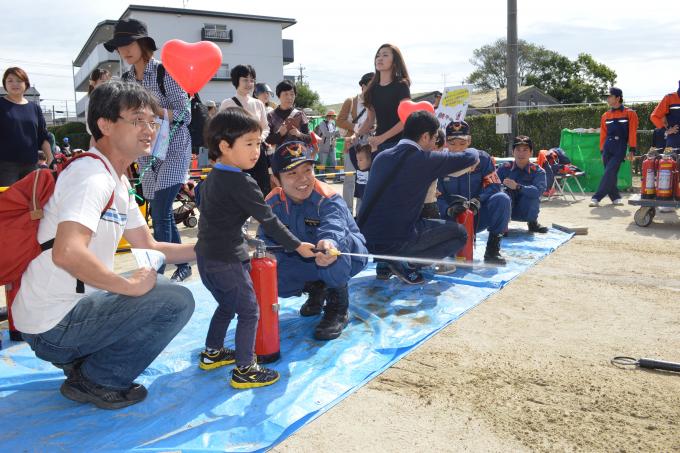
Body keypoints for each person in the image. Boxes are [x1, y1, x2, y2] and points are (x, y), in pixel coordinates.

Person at [12, 81, 196, 410]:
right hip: (53, 323)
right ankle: (99, 379)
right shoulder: (90, 176)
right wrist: (127, 286)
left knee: (160, 289)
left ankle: (82, 363)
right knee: (174, 299)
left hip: (61, 315)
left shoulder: (117, 180)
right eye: (138, 119)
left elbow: (150, 246)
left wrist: (209, 248)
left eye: (153, 121)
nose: (149, 130)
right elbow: (67, 252)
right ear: (105, 124)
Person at [195, 108, 316, 387]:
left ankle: (212, 352)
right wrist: (298, 246)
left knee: (226, 304)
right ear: (224, 146)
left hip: (206, 257)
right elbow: (270, 222)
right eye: (248, 144)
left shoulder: (211, 177)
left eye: (258, 143)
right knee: (250, 311)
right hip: (227, 259)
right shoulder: (242, 181)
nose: (256, 151)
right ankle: (245, 368)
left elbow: (214, 214)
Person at [106, 18, 194, 282]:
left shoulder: (165, 72)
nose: (124, 50)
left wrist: (151, 110)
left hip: (175, 148)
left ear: (143, 43)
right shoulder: (126, 80)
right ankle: (184, 264)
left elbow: (185, 114)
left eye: (128, 43)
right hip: (147, 152)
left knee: (161, 211)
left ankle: (157, 274)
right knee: (160, 209)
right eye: (119, 46)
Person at [261, 141, 368, 340]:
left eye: (307, 170)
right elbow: (265, 237)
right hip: (305, 259)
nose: (303, 179)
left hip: (347, 255)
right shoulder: (272, 203)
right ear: (276, 179)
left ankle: (338, 306)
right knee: (267, 267)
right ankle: (317, 289)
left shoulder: (328, 197)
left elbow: (334, 225)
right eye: (292, 173)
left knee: (335, 249)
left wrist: (329, 242)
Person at [358, 111, 479, 284]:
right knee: (459, 234)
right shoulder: (423, 159)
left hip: (366, 237)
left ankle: (385, 263)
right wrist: (473, 149)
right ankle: (408, 262)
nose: (436, 143)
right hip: (396, 240)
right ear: (425, 137)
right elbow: (469, 156)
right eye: (435, 138)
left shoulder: (382, 157)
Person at [437, 121, 511, 264]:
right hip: (450, 218)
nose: (457, 148)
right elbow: (435, 196)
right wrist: (448, 209)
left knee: (502, 198)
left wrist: (478, 200)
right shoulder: (439, 162)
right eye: (452, 142)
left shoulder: (482, 159)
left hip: (477, 215)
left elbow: (494, 185)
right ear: (446, 142)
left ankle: (492, 250)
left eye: (462, 142)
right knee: (451, 259)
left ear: (469, 141)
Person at [219, 64, 271, 195]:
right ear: (236, 81)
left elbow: (265, 127)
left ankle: (259, 216)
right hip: (237, 156)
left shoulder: (258, 104)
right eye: (245, 80)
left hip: (257, 154)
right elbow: (220, 130)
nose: (249, 83)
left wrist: (259, 139)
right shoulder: (227, 103)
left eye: (252, 80)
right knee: (239, 191)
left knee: (261, 189)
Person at [0, 67, 53, 186]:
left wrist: (49, 157)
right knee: (9, 201)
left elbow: (42, 134)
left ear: (26, 84)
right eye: (10, 80)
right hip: (5, 166)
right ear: (5, 84)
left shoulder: (34, 108)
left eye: (19, 80)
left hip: (31, 164)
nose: (15, 84)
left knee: (31, 200)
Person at [355, 44, 411, 154]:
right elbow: (370, 120)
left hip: (400, 144)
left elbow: (406, 120)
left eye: (385, 55)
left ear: (395, 61)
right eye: (378, 56)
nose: (380, 58)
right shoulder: (372, 89)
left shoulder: (401, 85)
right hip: (379, 145)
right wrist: (355, 135)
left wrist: (382, 138)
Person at [589, 87, 638, 207]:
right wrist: (602, 150)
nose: (607, 99)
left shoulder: (630, 113)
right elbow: (603, 134)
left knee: (609, 171)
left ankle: (596, 197)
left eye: (610, 96)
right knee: (610, 173)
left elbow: (632, 132)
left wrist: (632, 149)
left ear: (618, 98)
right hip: (607, 147)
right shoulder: (605, 115)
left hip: (620, 146)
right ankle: (615, 197)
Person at [336, 72, 374, 213]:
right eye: (371, 85)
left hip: (369, 143)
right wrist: (357, 128)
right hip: (352, 142)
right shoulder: (351, 101)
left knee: (364, 179)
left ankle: (360, 213)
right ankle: (347, 213)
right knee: (350, 178)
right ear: (363, 86)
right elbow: (339, 120)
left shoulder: (375, 103)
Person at [496, 136, 549, 233]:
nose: (521, 153)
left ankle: (533, 223)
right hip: (507, 208)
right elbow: (492, 187)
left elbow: (538, 191)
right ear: (513, 152)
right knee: (501, 195)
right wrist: (503, 189)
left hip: (526, 210)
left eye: (525, 150)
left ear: (531, 152)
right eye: (518, 150)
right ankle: (502, 225)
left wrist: (517, 187)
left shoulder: (538, 171)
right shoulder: (503, 168)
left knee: (532, 194)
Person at [266, 80, 312, 153]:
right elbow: (266, 140)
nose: (289, 97)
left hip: (297, 157)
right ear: (279, 95)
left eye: (292, 94)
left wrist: (299, 134)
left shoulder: (300, 114)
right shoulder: (271, 116)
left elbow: (309, 139)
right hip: (279, 158)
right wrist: (279, 134)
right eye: (286, 94)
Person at [421, 129, 445, 220]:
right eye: (441, 149)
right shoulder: (434, 159)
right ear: (435, 146)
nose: (441, 152)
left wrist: (434, 189)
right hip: (428, 205)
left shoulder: (417, 156)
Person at [650, 81, 680, 150]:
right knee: (669, 160)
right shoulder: (669, 98)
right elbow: (654, 116)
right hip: (673, 141)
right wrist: (666, 130)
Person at [86, 68, 112, 144]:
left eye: (109, 82)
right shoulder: (91, 101)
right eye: (103, 82)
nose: (107, 84)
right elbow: (89, 125)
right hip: (97, 138)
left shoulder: (111, 99)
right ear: (93, 83)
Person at [314, 110, 340, 180]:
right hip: (323, 147)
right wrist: (337, 132)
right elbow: (326, 134)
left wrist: (339, 133)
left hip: (332, 147)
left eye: (334, 116)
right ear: (329, 116)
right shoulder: (322, 123)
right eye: (333, 116)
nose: (334, 117)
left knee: (334, 163)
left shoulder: (333, 124)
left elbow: (337, 135)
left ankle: (337, 178)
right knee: (322, 165)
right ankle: (321, 179)